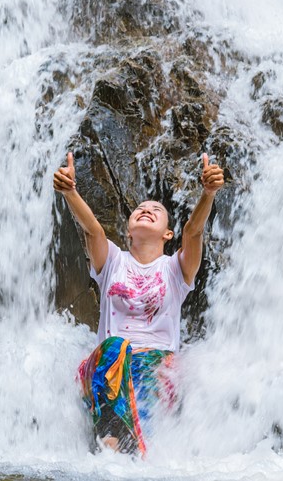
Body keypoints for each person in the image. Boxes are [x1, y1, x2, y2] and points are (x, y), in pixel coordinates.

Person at [53, 151, 225, 455]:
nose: (146, 209)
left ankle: (125, 451)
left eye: (155, 209)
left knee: (164, 367)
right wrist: (70, 193)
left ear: (168, 234)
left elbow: (194, 231)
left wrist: (208, 194)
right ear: (128, 230)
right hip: (108, 368)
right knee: (116, 347)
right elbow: (92, 228)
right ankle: (115, 441)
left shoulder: (175, 270)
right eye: (139, 209)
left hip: (156, 370)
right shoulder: (113, 262)